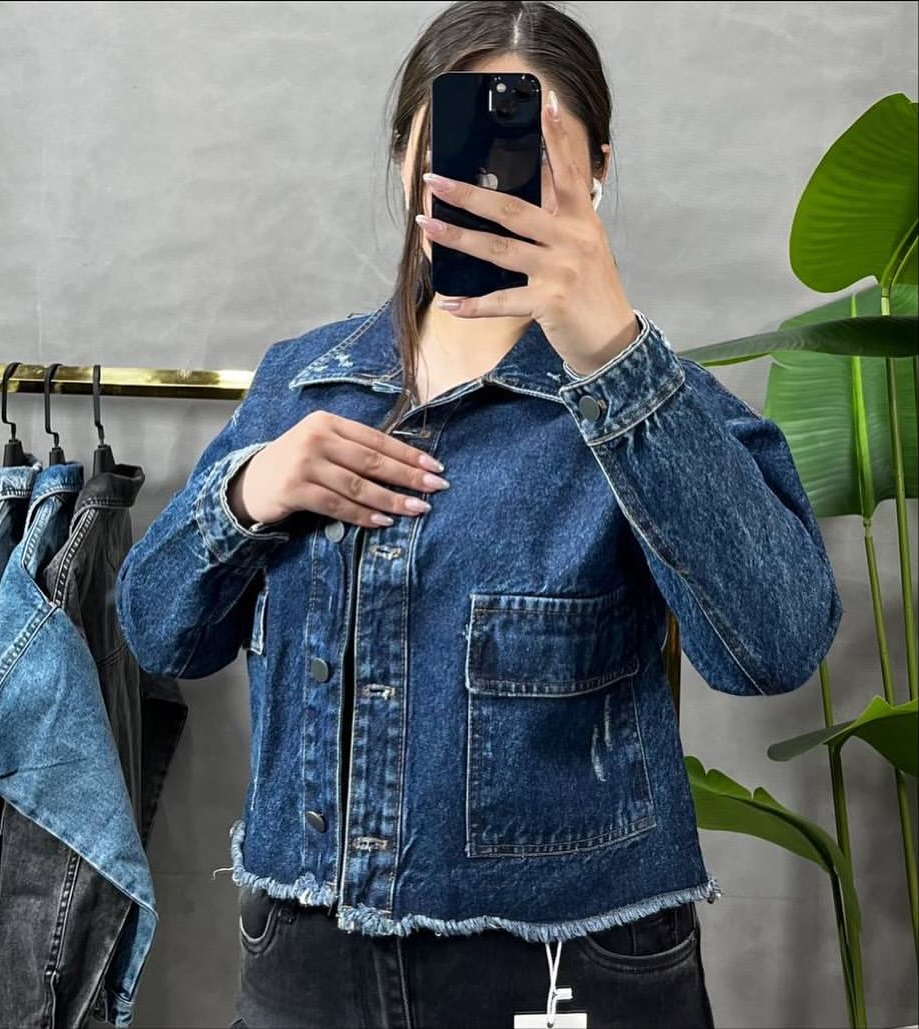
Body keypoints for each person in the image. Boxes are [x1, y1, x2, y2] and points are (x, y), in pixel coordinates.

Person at [115, 3, 843, 1027]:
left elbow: (773, 647)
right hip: (306, 972)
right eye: (454, 145)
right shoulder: (302, 385)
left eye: (531, 151)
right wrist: (245, 494)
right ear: (406, 161)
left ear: (594, 170)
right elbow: (157, 633)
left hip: (568, 974)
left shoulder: (656, 409)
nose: (486, 182)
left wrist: (610, 355)